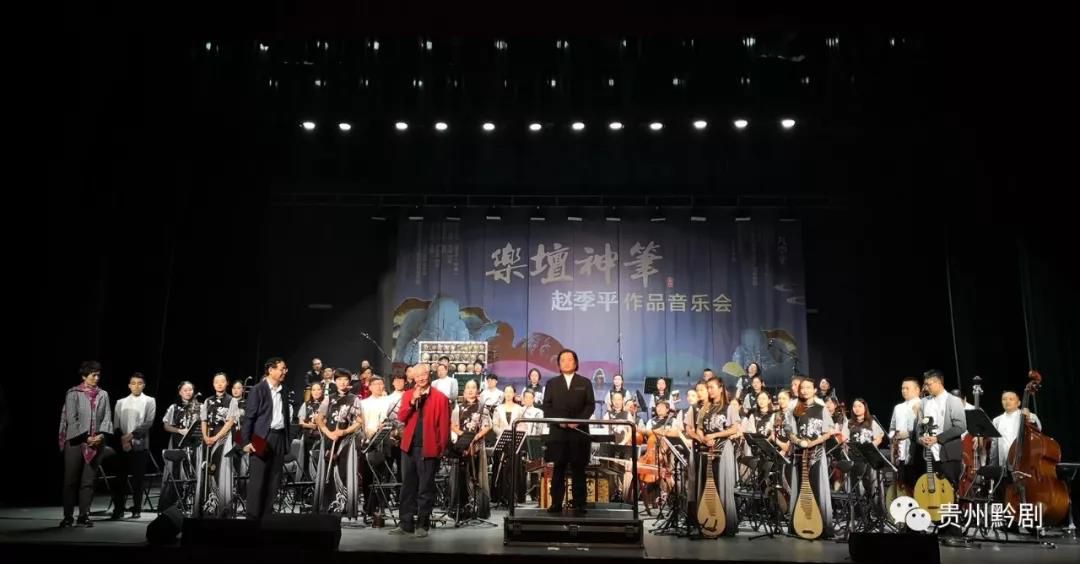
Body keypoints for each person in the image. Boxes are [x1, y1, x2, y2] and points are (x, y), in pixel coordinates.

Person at [389, 364, 450, 538]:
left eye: (424, 375)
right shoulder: (408, 394)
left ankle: (422, 525)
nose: (421, 378)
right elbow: (401, 417)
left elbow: (444, 426)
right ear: (413, 378)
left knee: (425, 488)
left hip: (428, 448)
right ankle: (405, 524)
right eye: (417, 376)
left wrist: (441, 449)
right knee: (407, 487)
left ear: (428, 375)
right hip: (408, 447)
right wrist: (411, 401)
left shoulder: (440, 397)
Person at [58, 361, 114, 528]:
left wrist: (101, 435)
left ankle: (84, 515)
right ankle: (68, 516)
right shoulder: (73, 393)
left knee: (88, 481)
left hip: (96, 442)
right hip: (76, 442)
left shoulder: (103, 394)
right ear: (84, 376)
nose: (96, 378)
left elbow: (107, 417)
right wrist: (86, 437)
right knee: (70, 481)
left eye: (98, 375)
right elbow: (71, 419)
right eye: (93, 375)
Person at [541, 349, 595, 515]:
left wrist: (578, 421)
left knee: (579, 468)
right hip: (558, 432)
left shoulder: (585, 382)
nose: (566, 362)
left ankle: (579, 503)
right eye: (562, 360)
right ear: (558, 364)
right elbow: (547, 406)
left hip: (579, 432)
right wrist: (561, 422)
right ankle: (556, 503)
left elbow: (590, 405)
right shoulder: (552, 383)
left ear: (576, 363)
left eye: (569, 359)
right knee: (559, 468)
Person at [786, 377, 837, 537]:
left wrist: (813, 442)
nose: (804, 390)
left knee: (816, 488)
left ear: (815, 390)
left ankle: (819, 526)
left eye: (808, 387)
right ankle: (799, 524)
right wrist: (799, 441)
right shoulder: (795, 409)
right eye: (802, 388)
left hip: (816, 454)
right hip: (800, 454)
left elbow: (828, 432)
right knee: (800, 487)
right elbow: (790, 432)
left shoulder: (821, 409)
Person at [240, 357, 290, 520]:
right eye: (282, 368)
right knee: (258, 479)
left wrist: (286, 441)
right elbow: (249, 417)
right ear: (271, 370)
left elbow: (285, 416)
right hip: (260, 437)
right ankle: (252, 518)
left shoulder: (284, 389)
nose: (285, 371)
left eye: (285, 369)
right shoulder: (258, 389)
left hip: (279, 436)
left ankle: (267, 518)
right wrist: (246, 441)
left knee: (274, 479)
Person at [695, 377, 741, 536]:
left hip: (722, 448)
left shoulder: (729, 408)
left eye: (712, 387)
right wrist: (703, 438)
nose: (710, 390)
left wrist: (715, 435)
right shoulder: (705, 408)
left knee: (721, 483)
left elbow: (734, 429)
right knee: (707, 483)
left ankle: (724, 523)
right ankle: (706, 519)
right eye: (708, 387)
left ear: (721, 389)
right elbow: (699, 428)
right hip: (707, 448)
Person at [316, 369, 365, 517]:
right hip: (330, 439)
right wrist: (328, 433)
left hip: (346, 441)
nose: (342, 382)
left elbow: (359, 421)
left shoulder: (354, 399)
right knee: (328, 472)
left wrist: (344, 432)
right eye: (339, 380)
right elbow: (319, 419)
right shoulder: (328, 399)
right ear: (335, 381)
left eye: (345, 380)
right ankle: (327, 506)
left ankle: (345, 508)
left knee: (344, 472)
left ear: (349, 382)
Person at [911, 369, 967, 489]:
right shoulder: (924, 402)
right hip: (929, 454)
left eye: (928, 384)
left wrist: (937, 438)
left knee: (949, 490)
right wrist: (921, 439)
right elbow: (919, 426)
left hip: (949, 455)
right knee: (930, 489)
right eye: (925, 384)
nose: (926, 388)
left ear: (938, 382)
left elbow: (960, 426)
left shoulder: (954, 401)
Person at [110, 372, 155, 520]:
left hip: (140, 445)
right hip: (123, 445)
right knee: (120, 479)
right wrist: (123, 440)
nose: (136, 386)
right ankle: (119, 509)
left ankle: (137, 508)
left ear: (144, 385)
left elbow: (148, 422)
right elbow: (116, 425)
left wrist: (131, 436)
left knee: (138, 479)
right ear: (129, 385)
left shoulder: (150, 401)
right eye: (133, 383)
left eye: (139, 383)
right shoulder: (120, 402)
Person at [197, 372, 240, 517]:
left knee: (219, 469)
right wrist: (205, 437)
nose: (219, 384)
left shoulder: (232, 400)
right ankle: (205, 506)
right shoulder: (207, 401)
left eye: (222, 381)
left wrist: (216, 437)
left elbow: (230, 422)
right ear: (213, 384)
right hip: (208, 437)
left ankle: (220, 507)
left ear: (227, 383)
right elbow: (203, 420)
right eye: (216, 382)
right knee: (206, 468)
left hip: (223, 438)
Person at [159, 381, 201, 511]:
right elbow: (166, 426)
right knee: (177, 471)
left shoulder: (200, 406)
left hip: (195, 444)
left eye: (190, 390)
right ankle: (176, 502)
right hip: (178, 442)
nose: (188, 392)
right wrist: (179, 430)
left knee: (194, 470)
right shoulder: (174, 408)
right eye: (185, 390)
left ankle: (193, 501)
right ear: (180, 392)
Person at [989, 390, 1042, 468]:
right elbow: (994, 445)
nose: (1007, 401)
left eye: (1011, 399)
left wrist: (1028, 418)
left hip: (1023, 460)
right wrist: (993, 465)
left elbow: (1038, 429)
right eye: (1004, 399)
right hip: (1003, 463)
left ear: (1019, 403)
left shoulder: (1028, 416)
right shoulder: (997, 420)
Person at [888, 377, 922, 490]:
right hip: (900, 453)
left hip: (916, 452)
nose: (904, 391)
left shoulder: (922, 404)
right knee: (902, 486)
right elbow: (892, 428)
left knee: (916, 484)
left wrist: (908, 434)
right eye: (902, 388)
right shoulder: (898, 407)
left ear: (917, 390)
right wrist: (893, 437)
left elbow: (924, 428)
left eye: (907, 388)